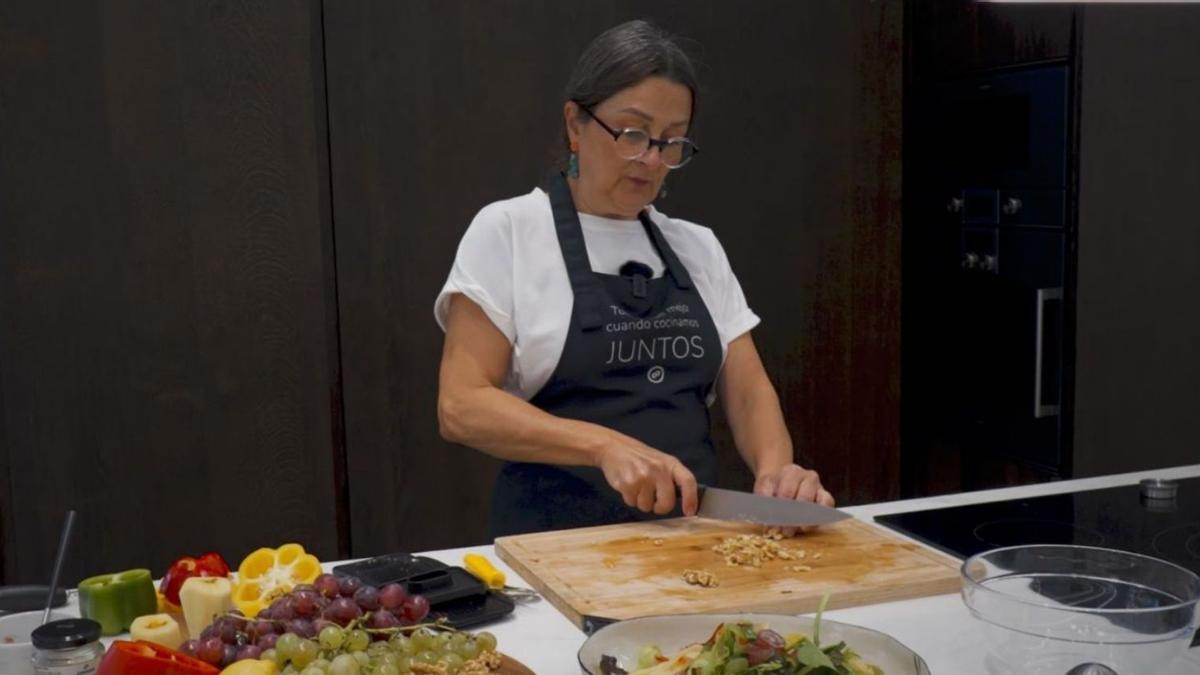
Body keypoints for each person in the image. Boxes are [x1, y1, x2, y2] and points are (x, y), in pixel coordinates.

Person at [435, 19, 833, 538]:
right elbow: (461, 405)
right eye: (633, 134)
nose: (651, 159)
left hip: (693, 545)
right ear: (575, 124)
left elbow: (748, 389)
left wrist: (778, 473)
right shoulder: (508, 232)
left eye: (671, 143)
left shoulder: (697, 246)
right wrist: (603, 446)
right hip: (555, 549)